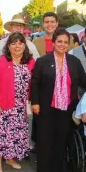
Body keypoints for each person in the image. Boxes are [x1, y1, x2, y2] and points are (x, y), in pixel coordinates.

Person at [30, 28, 86, 172]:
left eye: (65, 42)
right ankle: (44, 170)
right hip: (46, 106)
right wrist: (35, 102)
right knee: (45, 138)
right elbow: (34, 83)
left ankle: (56, 168)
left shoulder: (74, 62)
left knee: (61, 138)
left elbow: (84, 80)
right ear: (54, 42)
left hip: (67, 107)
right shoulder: (43, 61)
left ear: (69, 44)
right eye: (59, 41)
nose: (62, 44)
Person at [0, 32, 36, 172]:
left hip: (21, 106)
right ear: (8, 46)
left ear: (25, 45)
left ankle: (9, 158)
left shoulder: (30, 62)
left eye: (20, 43)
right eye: (13, 43)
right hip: (4, 104)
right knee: (2, 134)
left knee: (16, 133)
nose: (17, 46)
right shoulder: (2, 61)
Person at [30, 12, 59, 153]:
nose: (49, 24)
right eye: (46, 22)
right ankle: (37, 142)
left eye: (52, 21)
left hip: (60, 85)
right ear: (43, 24)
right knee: (39, 114)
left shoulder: (68, 40)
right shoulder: (36, 42)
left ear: (57, 23)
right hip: (41, 84)